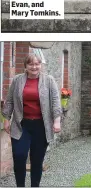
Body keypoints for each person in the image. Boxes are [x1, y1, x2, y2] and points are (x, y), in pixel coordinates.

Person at [2, 52, 62, 187]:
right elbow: (10, 101)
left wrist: (57, 121)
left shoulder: (49, 80)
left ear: (40, 65)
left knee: (36, 160)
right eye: (31, 64)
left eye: (37, 64)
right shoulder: (17, 80)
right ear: (26, 66)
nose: (34, 67)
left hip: (41, 127)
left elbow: (55, 101)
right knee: (19, 156)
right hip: (21, 125)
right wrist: (6, 119)